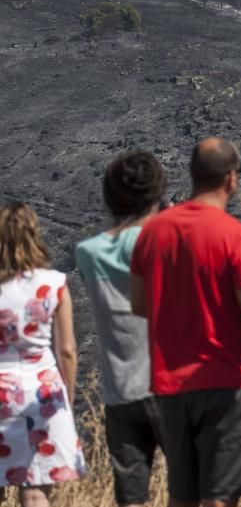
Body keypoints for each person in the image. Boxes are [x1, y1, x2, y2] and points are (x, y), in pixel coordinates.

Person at [130, 138, 241, 507]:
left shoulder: (153, 232)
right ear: (231, 179)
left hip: (171, 384)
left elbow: (140, 304)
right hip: (225, 380)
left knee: (183, 495)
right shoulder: (237, 237)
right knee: (219, 495)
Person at [75, 151, 167, 507]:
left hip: (119, 392)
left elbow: (109, 234)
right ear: (156, 193)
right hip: (169, 388)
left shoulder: (88, 252)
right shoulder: (163, 243)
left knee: (131, 497)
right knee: (190, 491)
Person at [0, 203, 86, 506]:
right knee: (35, 489)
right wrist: (68, 396)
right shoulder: (54, 285)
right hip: (43, 392)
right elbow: (67, 350)